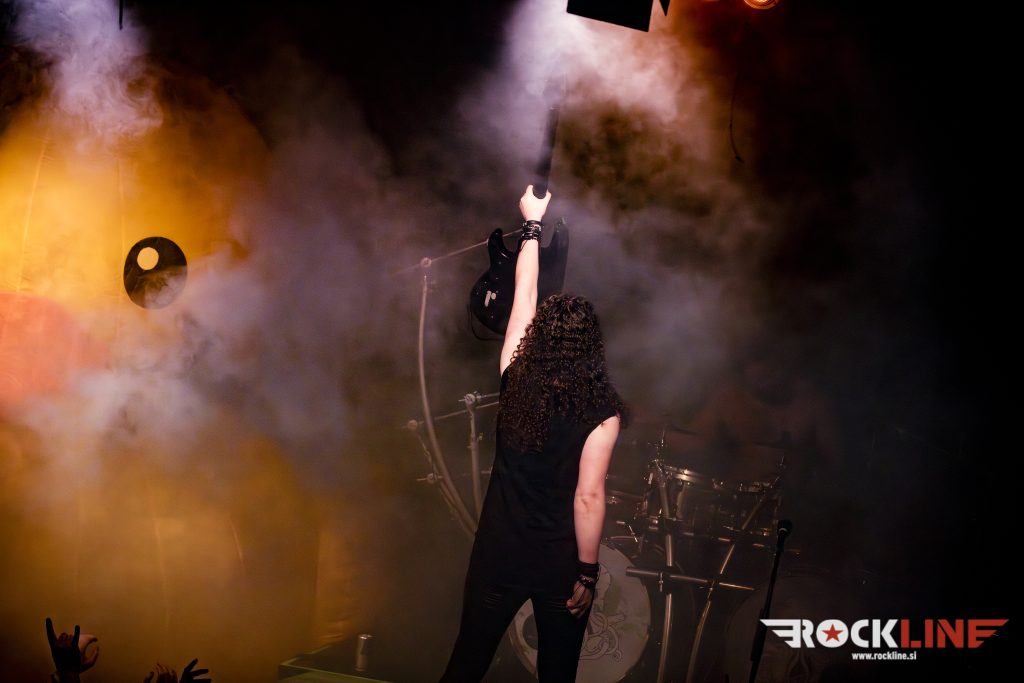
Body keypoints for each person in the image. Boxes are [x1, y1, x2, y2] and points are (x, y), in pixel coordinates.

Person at [438, 186, 626, 682]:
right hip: (557, 563)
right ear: (592, 347)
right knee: (558, 675)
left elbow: (523, 295)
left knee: (466, 664)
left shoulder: (516, 375)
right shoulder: (602, 414)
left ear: (539, 338)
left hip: (498, 552)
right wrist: (588, 573)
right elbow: (588, 498)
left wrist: (532, 225)